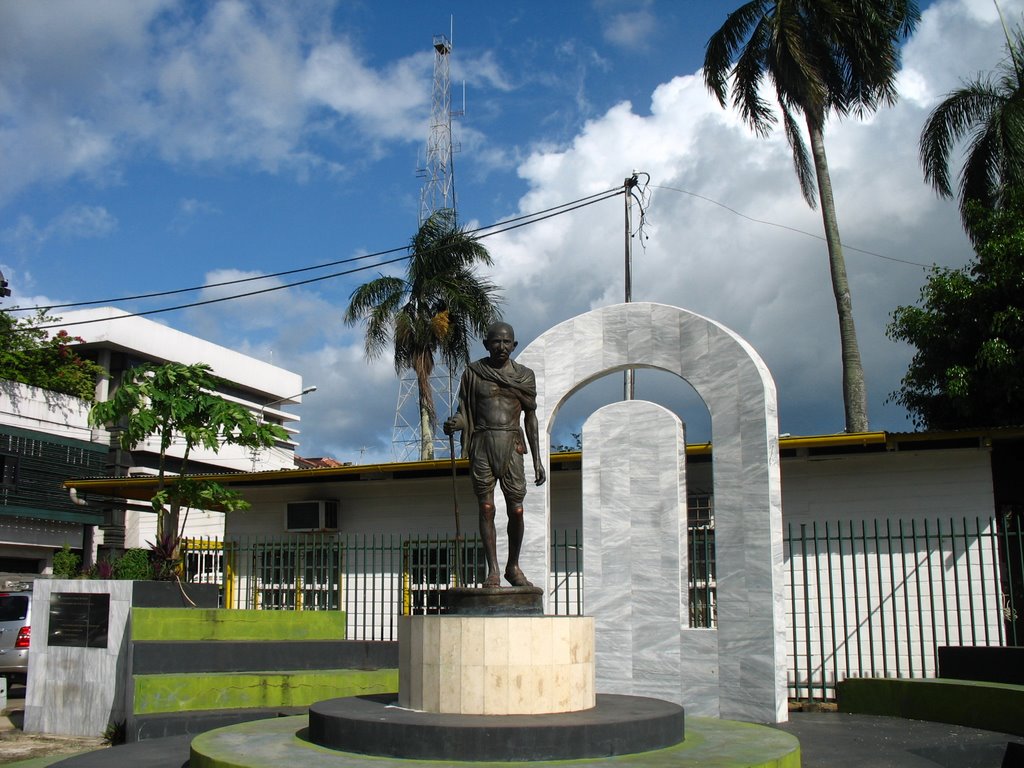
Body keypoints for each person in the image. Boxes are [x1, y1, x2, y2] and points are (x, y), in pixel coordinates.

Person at [444, 322, 546, 587]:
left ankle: (513, 567)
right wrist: (457, 423)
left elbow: (530, 418)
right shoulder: (474, 373)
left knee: (518, 509)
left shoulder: (525, 376)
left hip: (512, 444)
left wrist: (537, 460)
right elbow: (464, 411)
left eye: (506, 342)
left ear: (514, 345)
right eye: (496, 342)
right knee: (487, 507)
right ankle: (493, 570)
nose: (501, 347)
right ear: (487, 344)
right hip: (482, 443)